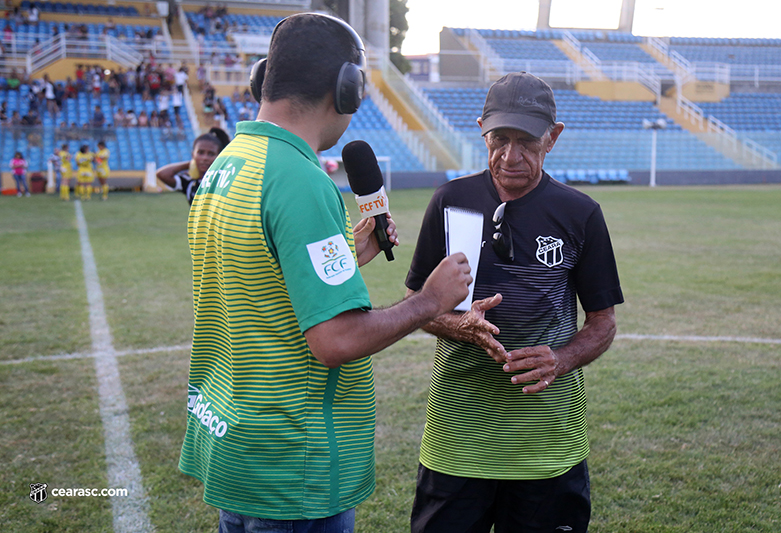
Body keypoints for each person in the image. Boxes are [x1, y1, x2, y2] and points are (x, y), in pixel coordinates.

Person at [177, 13, 473, 533]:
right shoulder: (300, 178)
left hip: (238, 445)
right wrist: (429, 300)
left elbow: (253, 273)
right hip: (294, 464)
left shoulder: (227, 163)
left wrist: (344, 257)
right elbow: (335, 340)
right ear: (348, 87)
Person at [405, 72, 624, 533]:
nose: (510, 156)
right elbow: (417, 304)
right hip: (457, 443)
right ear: (482, 128)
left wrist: (560, 359)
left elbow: (603, 323)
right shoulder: (450, 201)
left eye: (526, 141)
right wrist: (456, 324)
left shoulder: (580, 213)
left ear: (553, 138)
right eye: (498, 138)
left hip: (548, 448)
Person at [156, 127, 229, 206]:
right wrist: (191, 163)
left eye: (211, 154)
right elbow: (162, 174)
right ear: (193, 154)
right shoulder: (190, 181)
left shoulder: (224, 181)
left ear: (219, 156)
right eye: (200, 153)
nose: (205, 158)